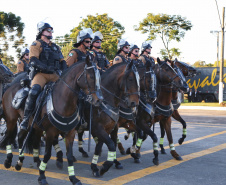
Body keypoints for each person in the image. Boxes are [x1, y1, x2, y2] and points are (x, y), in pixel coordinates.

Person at [20, 21, 67, 131]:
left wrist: (65, 72)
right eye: (48, 30)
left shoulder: (56, 47)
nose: (50, 32)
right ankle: (26, 119)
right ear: (41, 32)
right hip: (41, 75)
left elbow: (62, 61)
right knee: (34, 91)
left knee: (69, 90)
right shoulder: (36, 44)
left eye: (51, 30)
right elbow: (33, 60)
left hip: (55, 75)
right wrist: (46, 68)